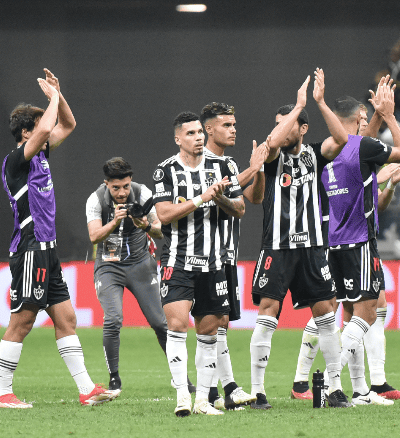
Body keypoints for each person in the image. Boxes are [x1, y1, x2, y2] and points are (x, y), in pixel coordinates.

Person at [0, 69, 114, 409]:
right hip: (30, 248)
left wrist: (59, 96)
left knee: (66, 319)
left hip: (48, 251)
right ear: (26, 132)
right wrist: (52, 101)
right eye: (38, 127)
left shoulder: (42, 156)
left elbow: (68, 125)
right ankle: (2, 392)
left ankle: (87, 389)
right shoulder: (16, 161)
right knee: (23, 320)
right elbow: (48, 126)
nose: (46, 131)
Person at [252, 74, 351, 409]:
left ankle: (336, 388)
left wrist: (320, 103)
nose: (284, 128)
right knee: (268, 314)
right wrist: (297, 107)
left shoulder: (313, 153)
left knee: (326, 314)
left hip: (311, 247)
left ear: (304, 128)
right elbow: (273, 141)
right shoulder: (271, 155)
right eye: (281, 123)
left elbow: (341, 137)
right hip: (277, 247)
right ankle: (258, 390)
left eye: (292, 123)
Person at [316, 74, 400, 404]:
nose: (365, 123)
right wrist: (388, 115)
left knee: (347, 316)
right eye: (361, 118)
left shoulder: (329, 153)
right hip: (360, 243)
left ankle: (359, 391)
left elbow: (363, 146)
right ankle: (330, 382)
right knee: (368, 314)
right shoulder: (358, 147)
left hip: (334, 243)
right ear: (354, 120)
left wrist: (373, 116)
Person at [153, 111, 244, 416]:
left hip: (214, 262)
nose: (198, 138)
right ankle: (182, 396)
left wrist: (219, 199)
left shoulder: (223, 166)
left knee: (209, 332)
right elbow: (164, 214)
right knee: (177, 325)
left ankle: (203, 400)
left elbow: (240, 209)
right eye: (190, 133)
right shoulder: (165, 170)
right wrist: (201, 199)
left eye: (199, 133)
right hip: (177, 259)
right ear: (178, 138)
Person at [200, 102, 266, 409]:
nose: (234, 129)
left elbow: (246, 196)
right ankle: (226, 388)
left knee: (222, 322)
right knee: (215, 321)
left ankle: (216, 391)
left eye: (234, 124)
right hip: (204, 256)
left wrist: (257, 169)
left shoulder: (227, 165)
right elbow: (237, 207)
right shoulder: (199, 163)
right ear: (209, 129)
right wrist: (253, 167)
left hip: (227, 253)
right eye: (227, 125)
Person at [85, 158, 168, 397]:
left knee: (161, 323)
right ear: (106, 184)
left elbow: (161, 231)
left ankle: (179, 375)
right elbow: (94, 237)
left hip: (141, 265)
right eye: (116, 188)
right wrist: (114, 222)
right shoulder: (95, 200)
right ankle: (114, 377)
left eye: (126, 186)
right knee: (113, 319)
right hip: (109, 267)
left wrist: (143, 225)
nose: (122, 193)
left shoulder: (143, 194)